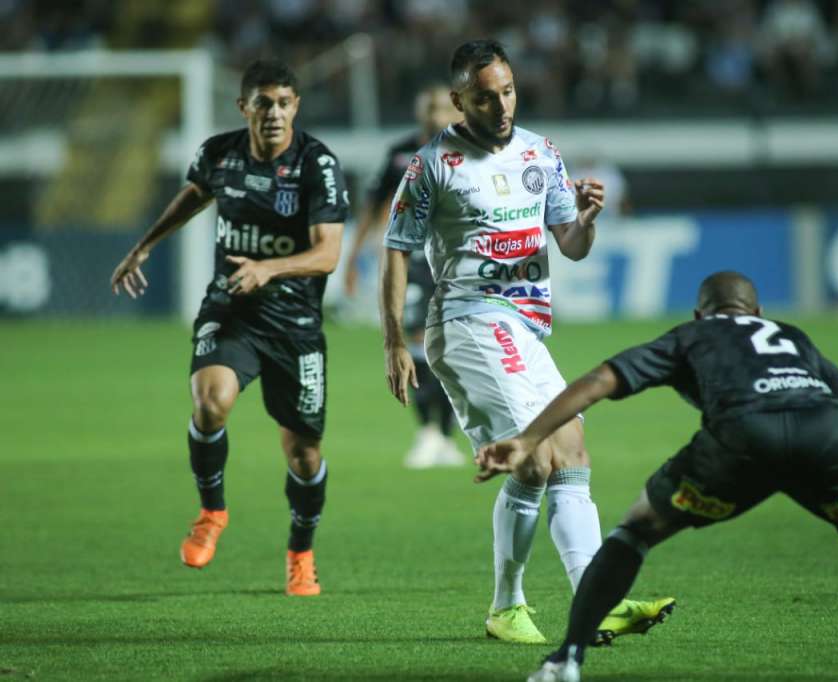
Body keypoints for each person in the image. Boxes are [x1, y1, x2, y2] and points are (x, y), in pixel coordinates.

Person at [475, 271, 838, 682]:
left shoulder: (691, 335)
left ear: (701, 313)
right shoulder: (793, 337)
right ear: (758, 313)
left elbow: (599, 381)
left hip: (741, 444)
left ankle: (567, 661)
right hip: (821, 438)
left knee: (636, 529)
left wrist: (528, 437)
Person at [379, 39, 674, 644]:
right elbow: (397, 251)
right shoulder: (434, 163)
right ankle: (508, 606)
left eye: (508, 91)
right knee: (536, 455)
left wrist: (587, 219)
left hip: (526, 327)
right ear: (460, 100)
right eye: (485, 98)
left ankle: (592, 601)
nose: (502, 105)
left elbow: (570, 243)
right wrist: (391, 342)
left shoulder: (542, 153)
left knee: (570, 451)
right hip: (467, 321)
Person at [110, 59, 349, 597]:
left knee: (304, 455)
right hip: (233, 310)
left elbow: (328, 252)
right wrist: (145, 245)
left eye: (284, 102)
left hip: (296, 323)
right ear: (244, 107)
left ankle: (300, 551)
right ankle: (212, 511)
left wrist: (269, 268)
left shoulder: (317, 164)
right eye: (263, 102)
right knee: (209, 401)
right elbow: (195, 194)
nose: (274, 113)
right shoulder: (219, 154)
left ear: (296, 107)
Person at [343, 83, 464, 469]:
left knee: (449, 349)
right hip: (409, 260)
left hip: (456, 264)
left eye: (443, 106)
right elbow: (373, 205)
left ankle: (443, 436)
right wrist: (352, 258)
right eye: (429, 105)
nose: (435, 112)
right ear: (419, 112)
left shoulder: (473, 152)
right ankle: (428, 430)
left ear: (458, 111)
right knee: (415, 338)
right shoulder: (400, 153)